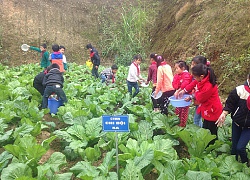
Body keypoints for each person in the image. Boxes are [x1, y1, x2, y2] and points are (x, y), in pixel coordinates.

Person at [216, 73, 250, 164]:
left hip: (248, 127)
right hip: (237, 123)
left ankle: (245, 163)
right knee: (234, 147)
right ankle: (233, 164)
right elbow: (230, 104)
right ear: (248, 79)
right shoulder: (240, 90)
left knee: (240, 147)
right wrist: (224, 113)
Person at [190, 63, 222, 142]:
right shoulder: (203, 80)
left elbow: (200, 98)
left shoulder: (208, 85)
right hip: (208, 109)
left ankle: (212, 149)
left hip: (212, 110)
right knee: (206, 129)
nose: (194, 78)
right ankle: (207, 146)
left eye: (195, 77)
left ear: (201, 76)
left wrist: (197, 91)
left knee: (211, 132)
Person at [176, 55, 208, 127]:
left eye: (194, 64)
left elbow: (202, 94)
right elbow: (192, 84)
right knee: (198, 119)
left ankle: (199, 134)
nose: (191, 66)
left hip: (204, 103)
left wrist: (191, 96)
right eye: (192, 64)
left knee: (197, 120)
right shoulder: (198, 77)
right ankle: (201, 132)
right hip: (198, 101)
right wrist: (183, 90)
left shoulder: (206, 81)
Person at [172, 60, 192, 127]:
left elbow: (185, 83)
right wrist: (176, 89)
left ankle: (182, 126)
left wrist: (179, 90)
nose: (176, 70)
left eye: (177, 68)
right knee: (177, 111)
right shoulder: (177, 75)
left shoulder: (187, 75)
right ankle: (177, 124)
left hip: (185, 97)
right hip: (178, 97)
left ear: (183, 68)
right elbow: (174, 83)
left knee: (184, 112)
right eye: (175, 68)